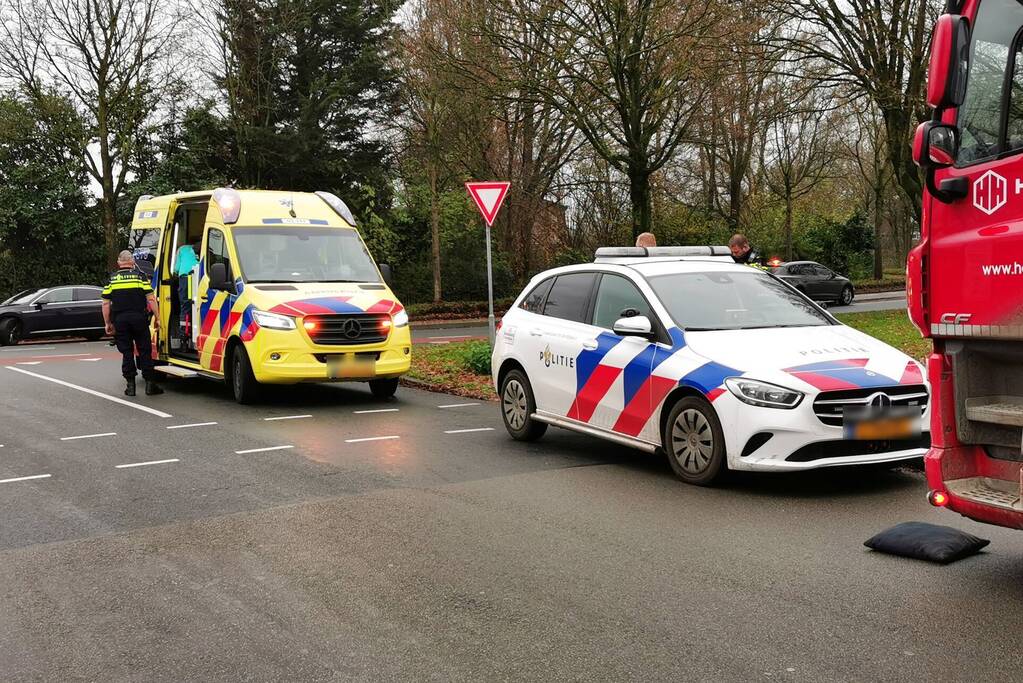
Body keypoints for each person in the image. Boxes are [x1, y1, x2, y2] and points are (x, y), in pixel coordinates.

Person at [102, 250, 164, 397]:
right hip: (139, 319)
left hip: (120, 321)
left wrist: (107, 323)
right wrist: (158, 318)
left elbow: (105, 304)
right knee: (145, 350)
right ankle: (150, 385)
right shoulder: (140, 277)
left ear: (119, 263)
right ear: (133, 262)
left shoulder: (112, 279)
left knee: (127, 352)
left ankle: (130, 386)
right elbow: (151, 299)